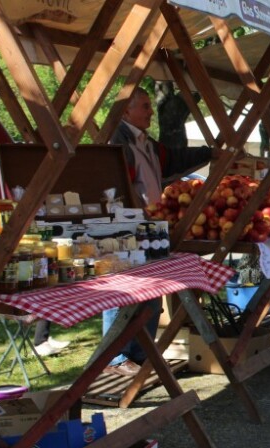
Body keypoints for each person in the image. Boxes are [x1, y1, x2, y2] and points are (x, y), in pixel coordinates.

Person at [102, 86, 214, 376]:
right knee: (122, 292)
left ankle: (141, 353)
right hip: (125, 230)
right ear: (125, 111)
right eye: (144, 106)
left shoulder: (146, 143)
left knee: (152, 293)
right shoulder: (117, 142)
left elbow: (173, 159)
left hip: (150, 229)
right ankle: (115, 358)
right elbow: (112, 188)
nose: (151, 112)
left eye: (150, 106)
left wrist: (211, 152)